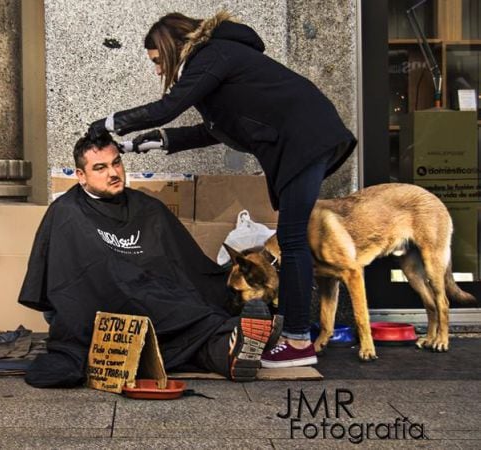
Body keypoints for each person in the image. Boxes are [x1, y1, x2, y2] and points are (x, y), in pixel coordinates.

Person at [87, 10, 357, 368]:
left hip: (305, 139)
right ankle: (296, 337)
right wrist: (157, 141)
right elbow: (214, 128)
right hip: (307, 138)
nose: (157, 71)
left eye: (156, 61)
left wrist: (108, 123)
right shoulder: (217, 65)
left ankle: (297, 342)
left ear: (170, 48)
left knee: (291, 240)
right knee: (292, 238)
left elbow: (168, 107)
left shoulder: (213, 54)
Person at [18, 132, 281, 388]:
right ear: (81, 176)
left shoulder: (147, 207)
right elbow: (71, 280)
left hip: (157, 296)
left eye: (116, 163)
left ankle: (232, 351)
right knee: (190, 320)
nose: (113, 173)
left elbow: (184, 262)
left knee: (195, 309)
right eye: (100, 168)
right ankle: (235, 338)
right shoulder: (67, 213)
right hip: (104, 304)